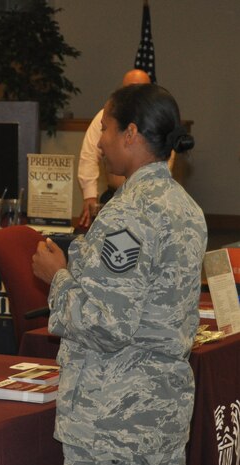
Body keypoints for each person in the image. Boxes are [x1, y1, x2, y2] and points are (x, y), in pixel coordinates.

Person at [32, 84, 207, 464]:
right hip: (162, 415)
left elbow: (105, 325)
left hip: (112, 422)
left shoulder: (127, 213)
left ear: (130, 134)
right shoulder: (187, 208)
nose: (99, 143)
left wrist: (57, 276)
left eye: (106, 129)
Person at [77, 69, 151, 227]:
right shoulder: (106, 116)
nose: (134, 94)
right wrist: (90, 195)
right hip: (114, 197)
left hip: (148, 199)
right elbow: (89, 154)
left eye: (141, 89)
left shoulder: (155, 120)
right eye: (130, 89)